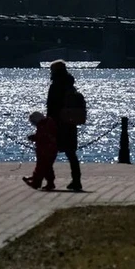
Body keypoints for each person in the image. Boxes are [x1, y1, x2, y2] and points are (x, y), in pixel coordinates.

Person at [46, 59, 83, 191]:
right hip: (69, 123)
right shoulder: (70, 85)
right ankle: (76, 180)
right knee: (71, 154)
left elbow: (51, 107)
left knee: (48, 153)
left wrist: (48, 122)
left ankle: (50, 181)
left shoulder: (55, 86)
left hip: (56, 123)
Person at [23, 111, 57, 191]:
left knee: (41, 166)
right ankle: (50, 183)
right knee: (48, 167)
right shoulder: (49, 123)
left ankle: (36, 182)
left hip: (45, 150)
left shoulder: (43, 125)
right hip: (51, 149)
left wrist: (34, 138)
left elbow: (43, 137)